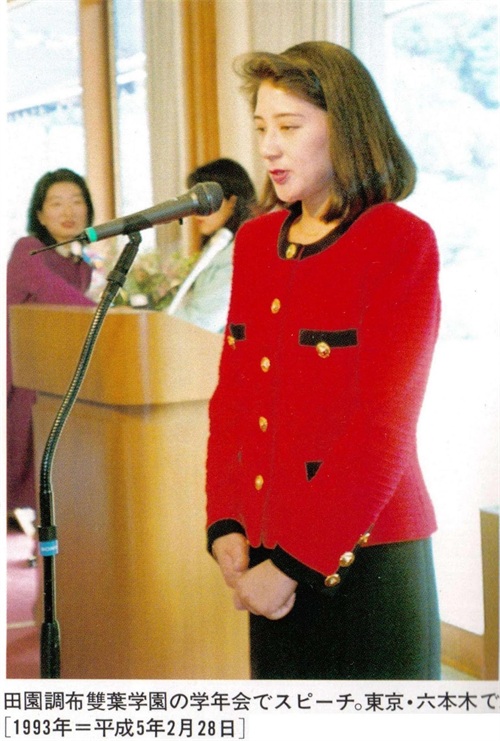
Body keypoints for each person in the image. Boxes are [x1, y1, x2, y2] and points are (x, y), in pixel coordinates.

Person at [205, 41, 441, 680]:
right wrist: (224, 519)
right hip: (266, 554)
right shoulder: (256, 241)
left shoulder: (400, 240)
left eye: (288, 127)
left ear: (347, 128)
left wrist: (292, 566)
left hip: (368, 561)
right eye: (261, 128)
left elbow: (383, 429)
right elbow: (233, 402)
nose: (268, 147)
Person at [7, 168, 96, 530]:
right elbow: (60, 298)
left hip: (55, 378)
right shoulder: (28, 249)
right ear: (40, 215)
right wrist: (114, 315)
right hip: (20, 378)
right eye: (56, 203)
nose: (68, 211)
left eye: (76, 201)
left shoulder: (81, 262)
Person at [167, 158, 257, 333]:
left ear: (232, 201)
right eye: (196, 203)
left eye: (207, 202)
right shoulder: (219, 245)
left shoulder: (240, 252)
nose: (197, 212)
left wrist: (154, 321)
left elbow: (202, 321)